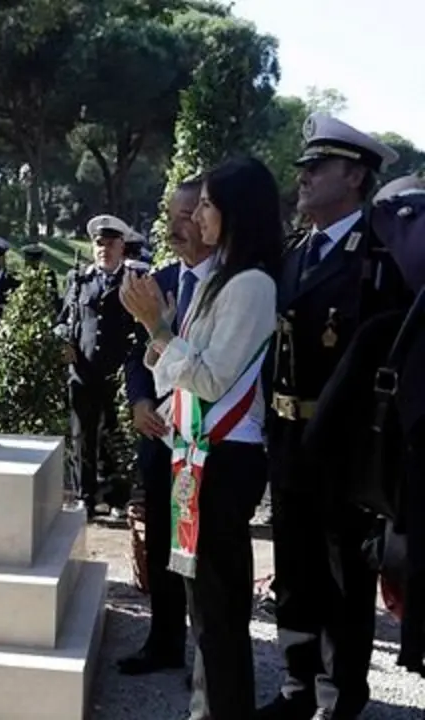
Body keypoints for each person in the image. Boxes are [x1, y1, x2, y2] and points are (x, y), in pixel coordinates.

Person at [122, 156, 283, 720]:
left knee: (219, 609)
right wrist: (159, 336)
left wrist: (157, 328)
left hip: (227, 457)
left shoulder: (252, 285)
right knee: (203, 608)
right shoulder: (217, 280)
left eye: (208, 205)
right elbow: (175, 370)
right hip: (195, 455)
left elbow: (213, 378)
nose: (198, 216)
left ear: (235, 213)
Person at [259, 114, 409, 720]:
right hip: (290, 435)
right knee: (293, 567)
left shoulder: (377, 258)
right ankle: (298, 685)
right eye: (303, 167)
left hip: (344, 445)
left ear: (354, 176)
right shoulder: (297, 252)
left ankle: (339, 695)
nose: (304, 177)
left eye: (317, 167)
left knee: (343, 573)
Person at [117, 177, 211, 678]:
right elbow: (137, 356)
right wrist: (139, 402)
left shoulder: (231, 284)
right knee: (163, 541)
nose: (175, 227)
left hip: (210, 440)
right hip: (160, 436)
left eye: (187, 215)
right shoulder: (161, 280)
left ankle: (211, 658)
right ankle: (164, 640)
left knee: (206, 550)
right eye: (170, 215)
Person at [56, 214, 141, 517]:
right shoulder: (79, 280)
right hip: (82, 369)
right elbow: (63, 320)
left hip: (117, 372)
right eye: (99, 243)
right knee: (82, 436)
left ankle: (117, 497)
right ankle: (85, 497)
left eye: (111, 243)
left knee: (114, 433)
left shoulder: (133, 280)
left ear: (122, 246)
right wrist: (64, 340)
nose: (104, 249)